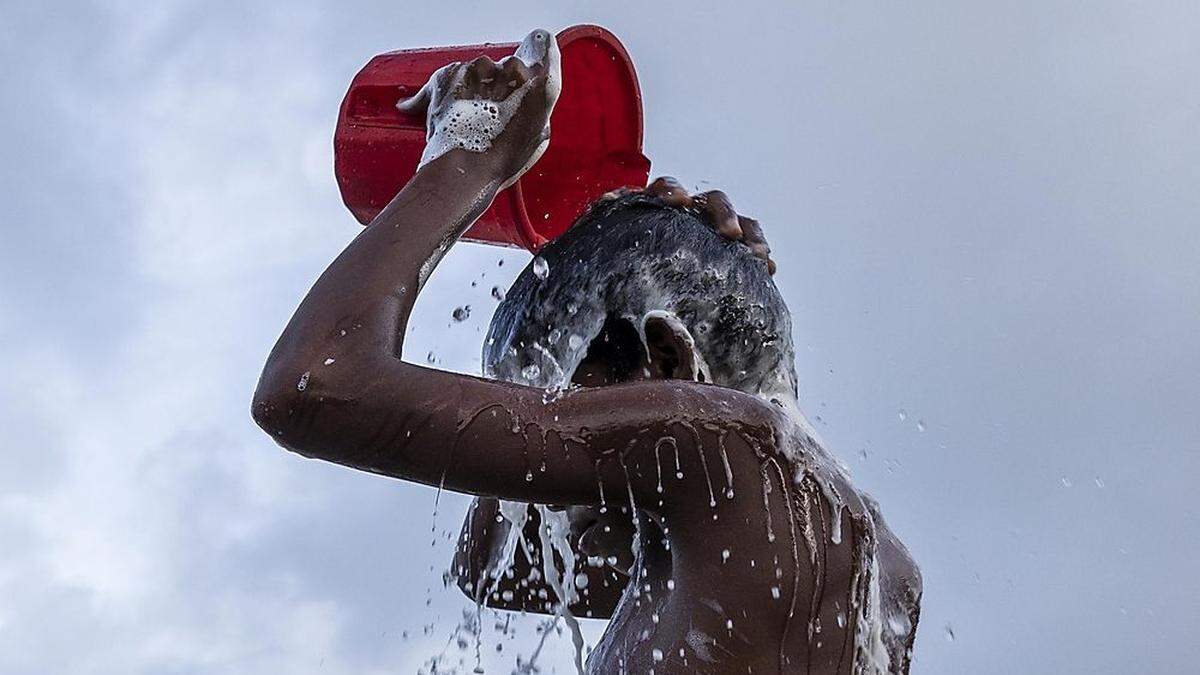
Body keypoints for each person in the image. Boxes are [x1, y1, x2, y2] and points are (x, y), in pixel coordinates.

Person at [252, 28, 921, 674]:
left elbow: (310, 385)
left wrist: (468, 157)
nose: (554, 434)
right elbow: (490, 567)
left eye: (566, 400)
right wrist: (715, 296)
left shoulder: (722, 445)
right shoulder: (827, 541)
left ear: (662, 357)